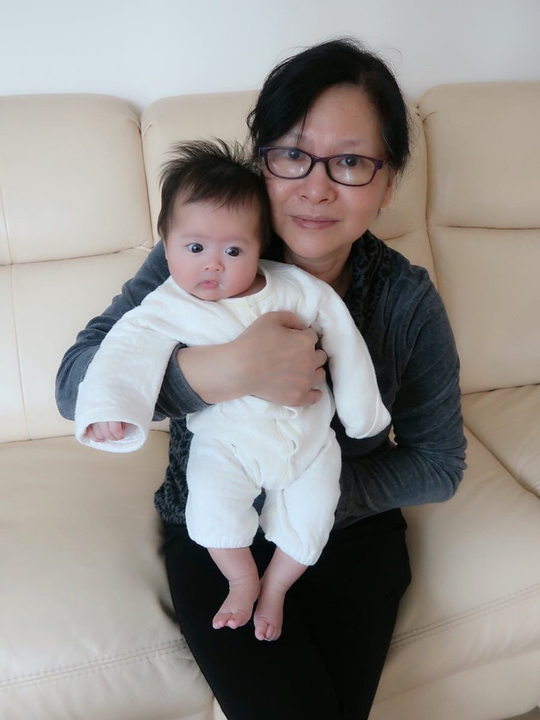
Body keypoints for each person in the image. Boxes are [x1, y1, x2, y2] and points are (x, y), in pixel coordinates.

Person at [56, 37, 467, 720]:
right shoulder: (207, 254)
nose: (316, 187)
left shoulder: (406, 299)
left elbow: (439, 464)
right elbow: (78, 385)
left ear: (389, 183)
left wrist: (308, 487)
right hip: (216, 525)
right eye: (292, 155)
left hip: (348, 530)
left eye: (351, 162)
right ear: (262, 164)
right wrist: (223, 371)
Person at [73, 139, 390, 643]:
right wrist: (112, 407)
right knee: (211, 506)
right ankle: (242, 580)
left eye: (234, 251)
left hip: (310, 442)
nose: (213, 265)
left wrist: (361, 412)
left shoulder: (294, 287)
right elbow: (124, 349)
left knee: (314, 516)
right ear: (166, 243)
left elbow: (343, 337)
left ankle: (277, 587)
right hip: (228, 444)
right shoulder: (167, 305)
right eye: (195, 248)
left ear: (260, 246)